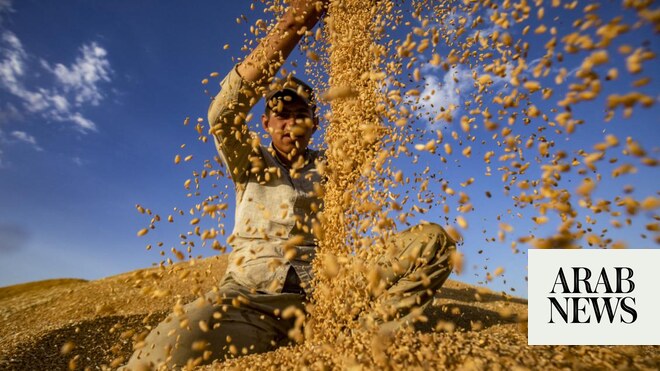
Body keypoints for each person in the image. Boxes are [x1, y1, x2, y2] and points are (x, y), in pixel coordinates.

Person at [124, 1, 455, 369]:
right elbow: (223, 115)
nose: (290, 124)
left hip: (328, 299)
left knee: (433, 241)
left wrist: (355, 31)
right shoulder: (251, 164)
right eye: (281, 116)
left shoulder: (332, 167)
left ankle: (364, 340)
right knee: (165, 350)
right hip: (250, 301)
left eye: (301, 116)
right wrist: (299, 19)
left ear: (314, 124)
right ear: (265, 123)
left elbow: (365, 130)